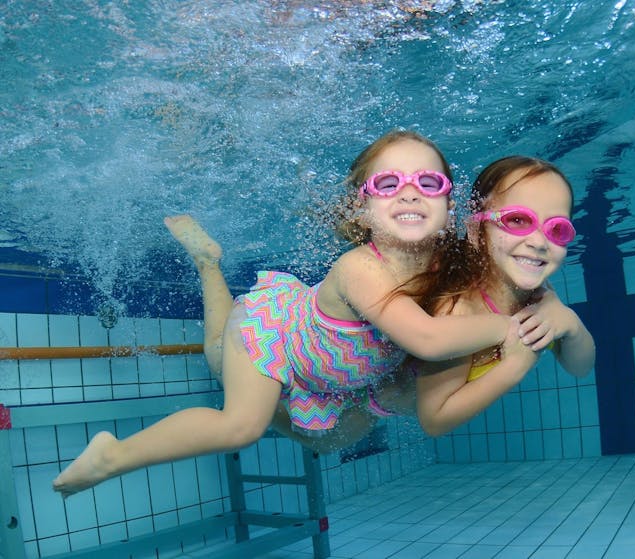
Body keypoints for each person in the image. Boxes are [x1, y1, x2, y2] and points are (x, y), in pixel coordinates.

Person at [52, 130, 517, 497]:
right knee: (238, 418)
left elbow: (510, 276)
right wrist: (510, 327)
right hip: (275, 339)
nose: (411, 194)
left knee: (336, 439)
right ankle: (113, 454)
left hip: (339, 375)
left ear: (451, 205)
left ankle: (222, 288)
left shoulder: (449, 266)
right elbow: (429, 340)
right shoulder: (360, 267)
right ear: (362, 206)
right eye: (389, 184)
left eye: (428, 183)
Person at [409, 155, 596, 436]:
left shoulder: (536, 295)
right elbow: (433, 420)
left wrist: (570, 324)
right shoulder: (459, 311)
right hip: (365, 400)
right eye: (517, 220)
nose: (538, 242)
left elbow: (580, 367)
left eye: (556, 228)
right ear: (476, 230)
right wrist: (516, 366)